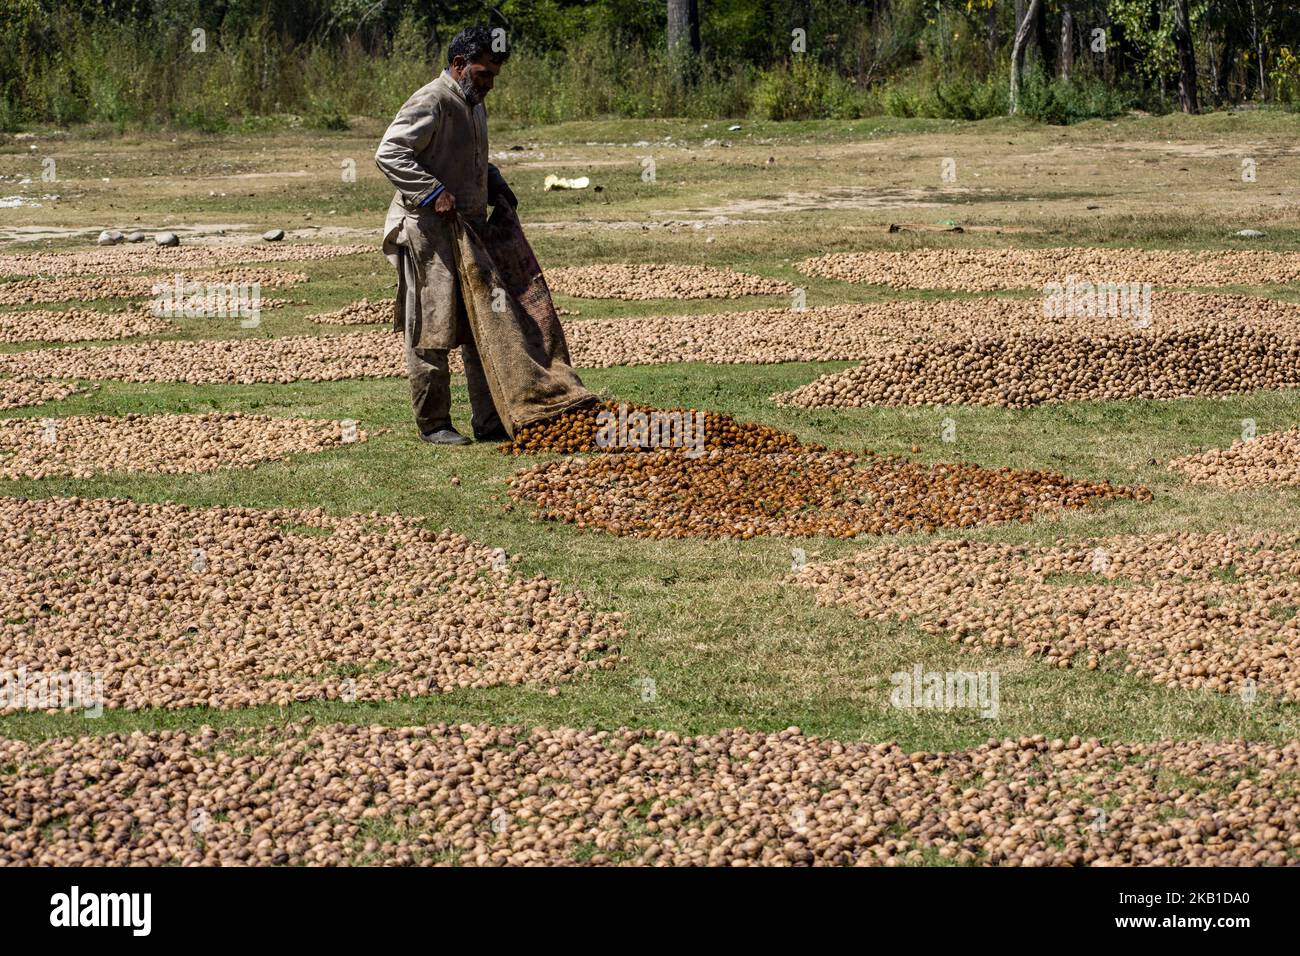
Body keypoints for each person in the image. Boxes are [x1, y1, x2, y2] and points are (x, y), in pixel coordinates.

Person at [375, 25, 519, 445]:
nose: (489, 85)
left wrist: (494, 181)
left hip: (467, 231)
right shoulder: (433, 99)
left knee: (481, 327)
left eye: (494, 76)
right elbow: (389, 152)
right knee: (431, 326)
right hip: (428, 233)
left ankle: (490, 422)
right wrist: (432, 191)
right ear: (458, 65)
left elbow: (468, 156)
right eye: (483, 74)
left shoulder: (473, 103)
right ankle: (434, 423)